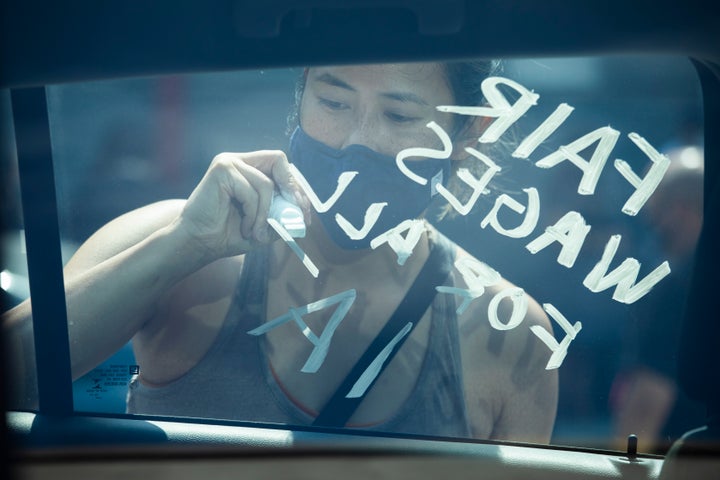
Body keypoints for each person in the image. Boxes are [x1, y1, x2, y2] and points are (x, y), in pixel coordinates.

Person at [3, 62, 558, 442]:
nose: (354, 140)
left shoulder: (507, 332)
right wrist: (181, 247)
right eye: (333, 100)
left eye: (399, 116)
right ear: (301, 92)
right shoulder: (181, 242)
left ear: (469, 133)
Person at [612, 149, 706, 453]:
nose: (650, 222)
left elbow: (646, 406)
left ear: (678, 209)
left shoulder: (679, 291)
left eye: (653, 207)